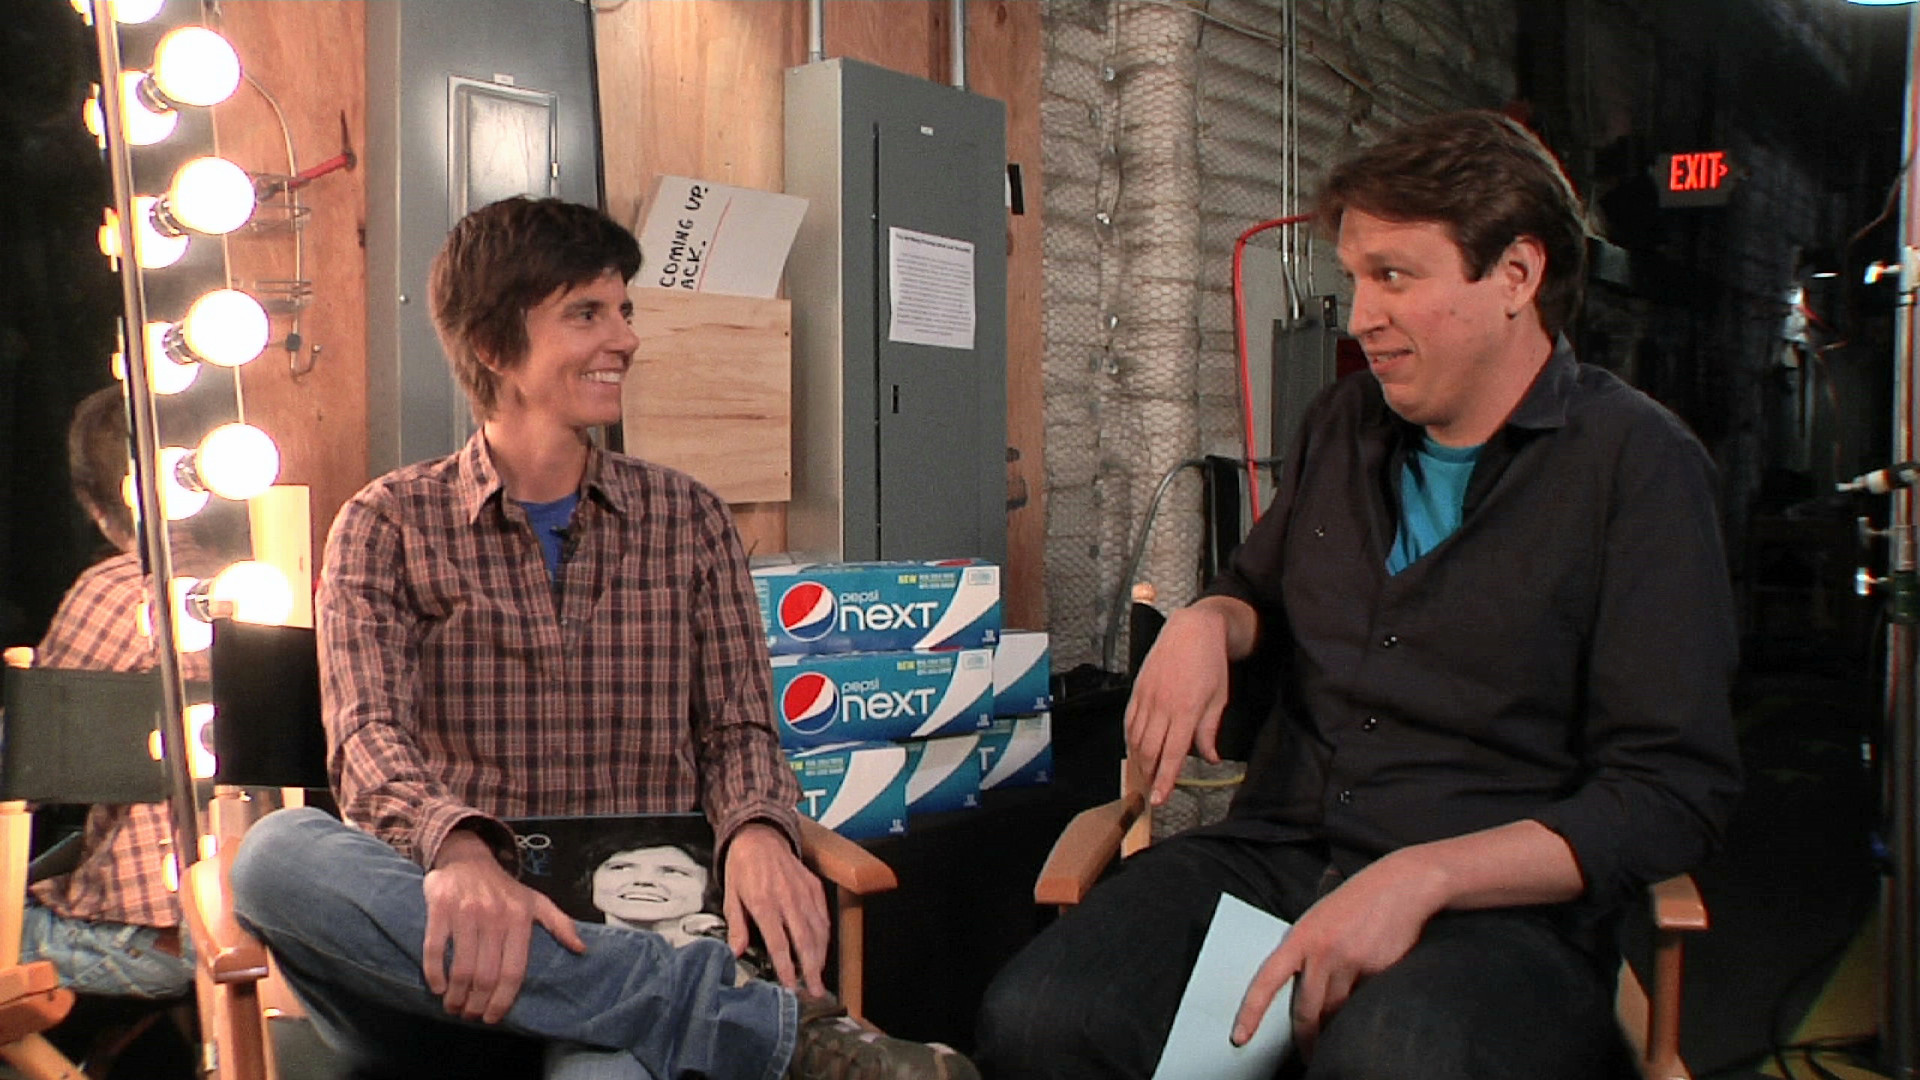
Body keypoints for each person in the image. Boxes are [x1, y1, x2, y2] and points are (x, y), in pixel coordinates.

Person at [976, 111, 1743, 1080]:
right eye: (1355, 279)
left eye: (1394, 276)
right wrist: (1209, 620)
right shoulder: (1343, 423)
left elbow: (1671, 792)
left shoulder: (1641, 468)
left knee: (1392, 1059)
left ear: (1516, 275)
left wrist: (1426, 877)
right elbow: (1258, 588)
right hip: (1282, 852)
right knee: (1040, 1018)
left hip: (1493, 912)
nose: (1361, 316)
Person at [227, 197, 977, 1080]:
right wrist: (458, 851)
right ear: (494, 345)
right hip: (446, 965)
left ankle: (672, 1005)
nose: (624, 338)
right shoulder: (385, 522)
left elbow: (737, 729)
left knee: (608, 1071)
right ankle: (738, 1021)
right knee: (274, 854)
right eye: (587, 313)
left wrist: (758, 830)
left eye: (624, 310)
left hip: (636, 941)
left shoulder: (688, 518)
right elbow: (367, 739)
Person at [22, 385, 200, 1003]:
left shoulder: (115, 589)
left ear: (94, 503)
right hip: (233, 921)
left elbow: (32, 768)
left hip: (141, 935)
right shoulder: (248, 577)